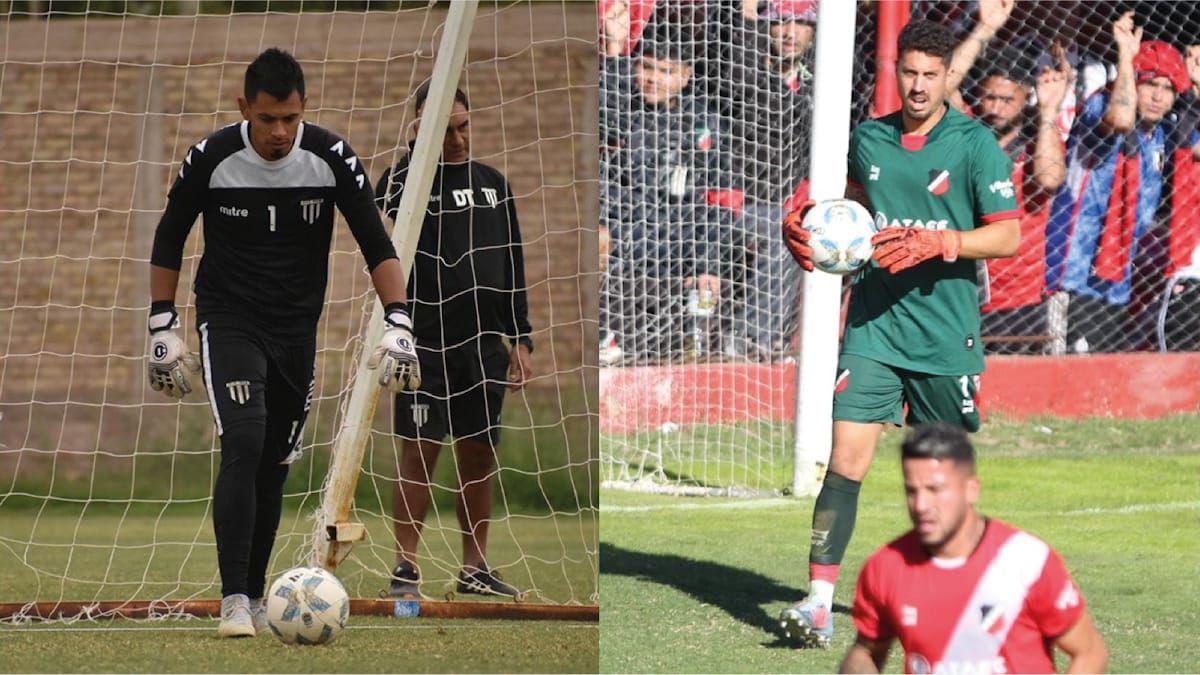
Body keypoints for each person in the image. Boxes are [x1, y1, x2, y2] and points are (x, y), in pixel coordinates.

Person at [147, 48, 419, 637]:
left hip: (297, 330)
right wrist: (161, 325)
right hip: (229, 319)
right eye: (267, 118)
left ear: (304, 109)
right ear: (243, 107)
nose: (279, 132)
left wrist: (400, 320)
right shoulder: (211, 158)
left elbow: (376, 244)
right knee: (244, 439)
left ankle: (255, 593)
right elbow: (169, 237)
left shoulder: (332, 157)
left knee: (274, 463)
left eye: (290, 118)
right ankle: (233, 600)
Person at [778, 20, 1020, 647]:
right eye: (909, 72)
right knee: (845, 461)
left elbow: (1008, 234)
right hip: (874, 326)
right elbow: (848, 210)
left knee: (939, 474)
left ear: (947, 77)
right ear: (896, 71)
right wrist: (806, 225)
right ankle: (819, 604)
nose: (917, 86)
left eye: (930, 75)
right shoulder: (870, 138)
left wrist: (943, 243)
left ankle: (960, 595)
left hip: (945, 334)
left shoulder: (975, 145)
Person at [374, 81, 534, 599]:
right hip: (424, 344)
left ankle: (474, 567)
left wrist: (521, 338)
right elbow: (384, 202)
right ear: (422, 131)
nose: (458, 139)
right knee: (420, 452)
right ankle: (405, 567)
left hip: (483, 345)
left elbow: (512, 263)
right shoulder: (407, 181)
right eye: (444, 130)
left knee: (479, 455)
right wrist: (419, 148)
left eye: (463, 127)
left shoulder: (494, 185)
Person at [839, 423, 1109, 673]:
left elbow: (1089, 653)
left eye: (935, 490)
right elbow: (867, 651)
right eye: (912, 491)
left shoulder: (1027, 561)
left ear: (971, 490)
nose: (921, 505)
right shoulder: (886, 567)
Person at [1045, 13, 1200, 352]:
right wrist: (1126, 59)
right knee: (1068, 361)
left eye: (1167, 89)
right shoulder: (1101, 103)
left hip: (1118, 274)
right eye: (1150, 84)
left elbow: (1196, 148)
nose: (1158, 97)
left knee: (1102, 364)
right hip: (1073, 266)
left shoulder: (1163, 131)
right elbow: (1121, 119)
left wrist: (1194, 92)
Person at [599, 22, 744, 364]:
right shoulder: (620, 110)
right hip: (625, 235)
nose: (653, 79)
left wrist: (709, 263)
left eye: (666, 71)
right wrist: (615, 50)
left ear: (685, 76)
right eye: (646, 67)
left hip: (683, 241)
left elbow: (722, 199)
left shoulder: (705, 123)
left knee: (678, 345)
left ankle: (701, 343)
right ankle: (604, 336)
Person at [951, 33, 1074, 352]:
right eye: (989, 97)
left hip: (1019, 298)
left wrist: (1049, 112)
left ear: (1025, 97)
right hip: (962, 290)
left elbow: (1049, 179)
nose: (996, 108)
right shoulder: (966, 131)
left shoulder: (1039, 141)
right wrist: (986, 27)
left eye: (1007, 100)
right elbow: (946, 83)